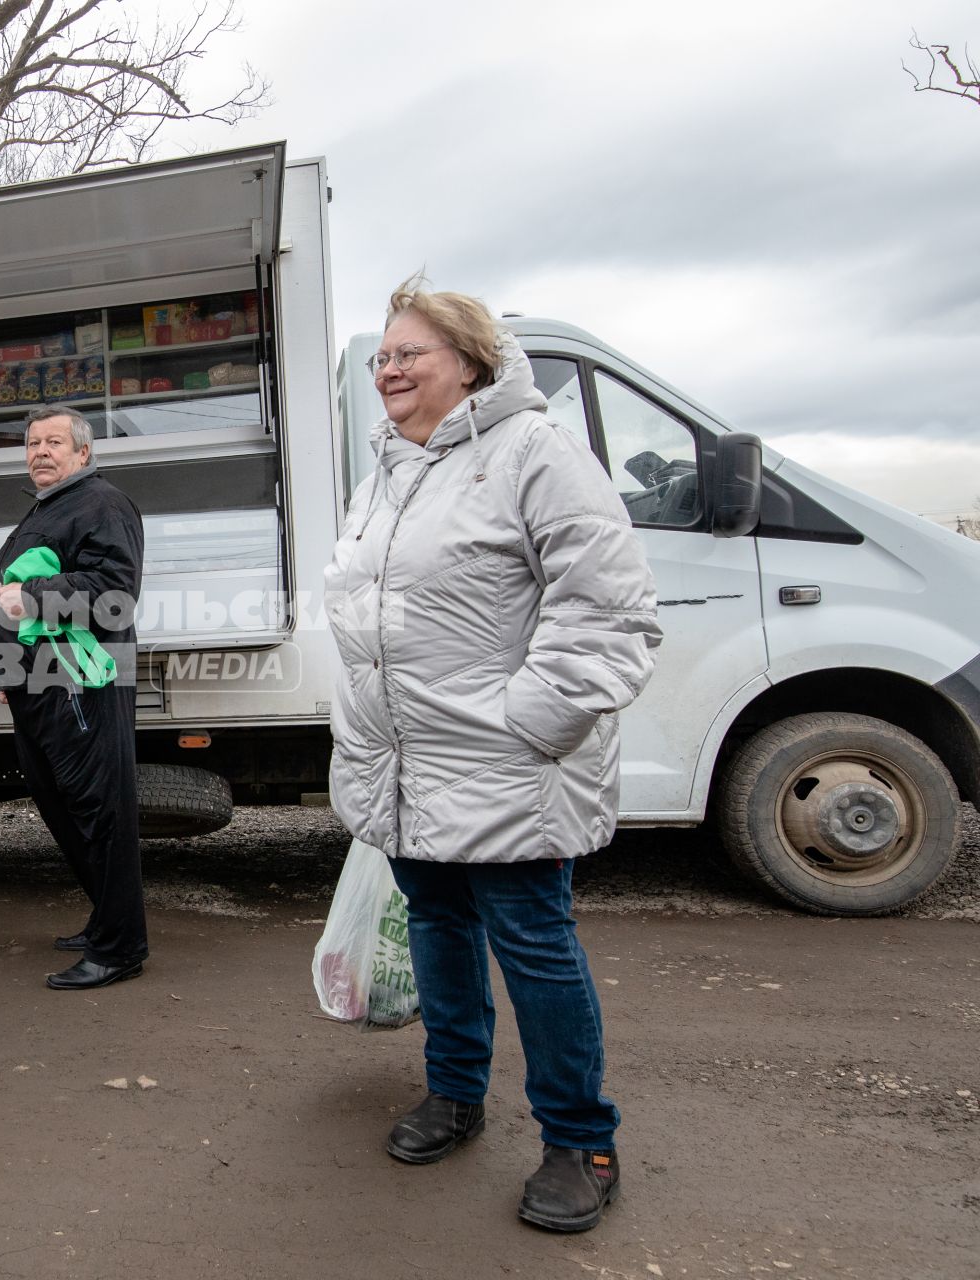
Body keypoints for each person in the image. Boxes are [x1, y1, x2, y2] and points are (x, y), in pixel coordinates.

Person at [323, 277, 661, 1232]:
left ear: (469, 362)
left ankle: (580, 1141)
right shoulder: (388, 467)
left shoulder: (535, 452)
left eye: (409, 353)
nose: (387, 368)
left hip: (505, 762)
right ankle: (455, 1094)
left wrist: (532, 724)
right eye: (383, 355)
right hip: (404, 763)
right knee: (435, 926)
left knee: (534, 946)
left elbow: (609, 611)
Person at [0, 407, 149, 991]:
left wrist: (28, 596)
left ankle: (120, 947)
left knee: (99, 809)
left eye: (54, 442)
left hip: (82, 680)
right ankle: (107, 918)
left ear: (83, 452)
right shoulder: (48, 508)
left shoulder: (103, 504)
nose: (40, 451)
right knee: (60, 805)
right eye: (32, 443)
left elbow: (114, 594)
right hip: (35, 684)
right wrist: (4, 670)